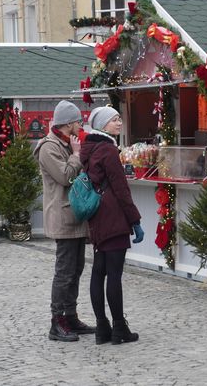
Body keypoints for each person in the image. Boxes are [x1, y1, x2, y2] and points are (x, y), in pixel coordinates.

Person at [79, 106, 144, 345]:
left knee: (99, 271)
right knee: (114, 274)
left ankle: (102, 328)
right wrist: (135, 220)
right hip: (113, 215)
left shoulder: (90, 149)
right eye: (115, 119)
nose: (119, 123)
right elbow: (121, 189)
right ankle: (119, 328)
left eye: (119, 118)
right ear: (103, 125)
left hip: (97, 216)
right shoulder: (107, 150)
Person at [33, 100, 95, 342]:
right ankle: (56, 322)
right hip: (62, 215)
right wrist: (77, 155)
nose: (81, 125)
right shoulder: (49, 147)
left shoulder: (68, 142)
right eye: (78, 121)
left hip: (75, 216)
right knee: (64, 272)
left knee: (76, 269)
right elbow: (65, 176)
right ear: (68, 123)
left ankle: (71, 316)